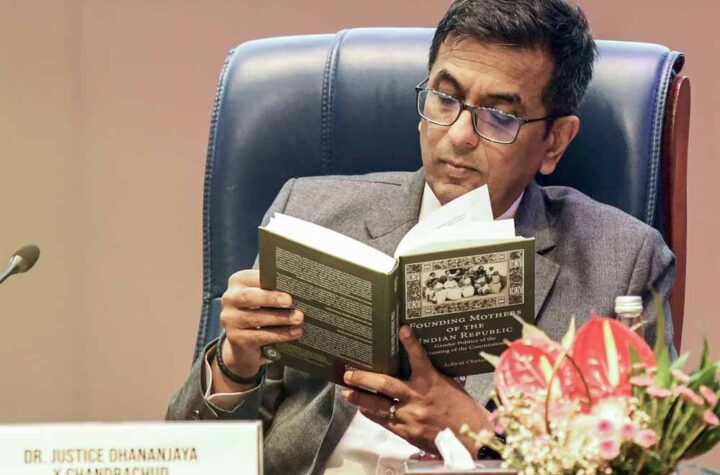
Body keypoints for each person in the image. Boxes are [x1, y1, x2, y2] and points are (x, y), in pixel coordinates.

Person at [166, 1, 676, 473]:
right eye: (445, 99)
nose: (458, 135)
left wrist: (482, 437)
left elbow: (639, 465)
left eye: (500, 116)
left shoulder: (621, 262)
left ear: (555, 142)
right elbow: (192, 457)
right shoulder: (310, 213)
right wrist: (235, 362)